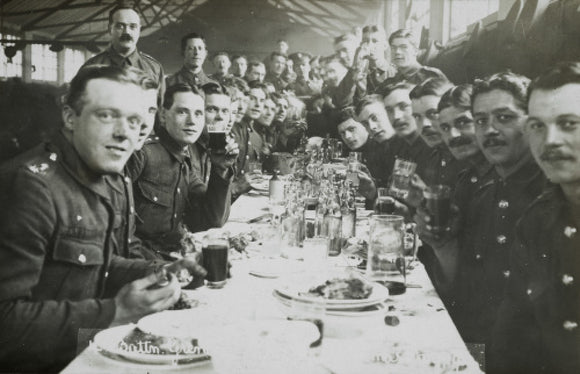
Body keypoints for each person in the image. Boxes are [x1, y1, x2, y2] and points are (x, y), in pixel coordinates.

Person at [0, 65, 206, 372]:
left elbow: (98, 268)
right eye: (107, 115)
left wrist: (161, 270)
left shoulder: (105, 177)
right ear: (70, 117)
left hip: (83, 350)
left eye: (135, 120)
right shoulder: (31, 187)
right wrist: (114, 312)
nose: (126, 133)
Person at [417, 72, 545, 362]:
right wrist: (443, 246)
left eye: (504, 117)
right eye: (481, 120)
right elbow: (463, 291)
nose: (489, 130)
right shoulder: (484, 192)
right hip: (479, 349)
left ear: (532, 123)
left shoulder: (550, 198)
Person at [491, 62, 580, 374]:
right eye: (538, 126)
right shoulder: (536, 222)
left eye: (569, 123)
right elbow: (511, 337)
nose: (550, 140)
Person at [126, 83, 237, 260]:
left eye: (199, 113)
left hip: (170, 258)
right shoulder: (143, 154)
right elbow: (120, 236)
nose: (192, 121)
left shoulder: (184, 162)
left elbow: (211, 220)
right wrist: (162, 268)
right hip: (144, 263)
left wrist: (220, 169)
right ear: (162, 115)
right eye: (182, 112)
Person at [81, 5, 165, 103]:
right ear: (110, 29)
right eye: (120, 26)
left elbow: (161, 112)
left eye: (133, 26)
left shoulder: (154, 68)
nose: (127, 32)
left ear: (139, 30)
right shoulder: (91, 67)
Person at [409, 77, 467, 187]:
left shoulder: (470, 157)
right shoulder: (429, 159)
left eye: (433, 114)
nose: (425, 124)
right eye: (417, 117)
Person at [230, 81, 268, 200]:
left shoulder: (256, 136)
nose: (257, 105)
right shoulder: (230, 128)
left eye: (262, 101)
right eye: (252, 99)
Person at [381, 28, 446, 88]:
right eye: (393, 48)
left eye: (403, 47)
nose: (397, 52)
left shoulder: (431, 77)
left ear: (415, 51)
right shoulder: (391, 81)